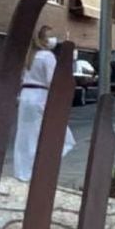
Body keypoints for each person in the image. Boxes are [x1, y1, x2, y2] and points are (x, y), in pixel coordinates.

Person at [13, 26, 75, 181]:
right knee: (53, 133)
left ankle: (23, 170)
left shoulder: (29, 57)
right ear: (44, 40)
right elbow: (52, 80)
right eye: (50, 36)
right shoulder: (47, 57)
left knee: (25, 135)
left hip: (25, 96)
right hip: (40, 96)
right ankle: (40, 167)